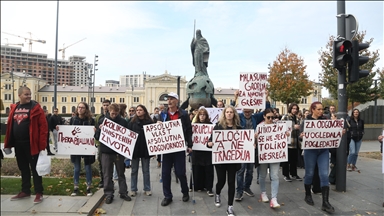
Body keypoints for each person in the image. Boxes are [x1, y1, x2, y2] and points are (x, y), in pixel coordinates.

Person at [3, 86, 48, 203]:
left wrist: (42, 145)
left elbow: (43, 128)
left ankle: (39, 192)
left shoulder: (36, 108)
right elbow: (10, 127)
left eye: (29, 94)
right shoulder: (14, 108)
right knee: (23, 168)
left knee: (35, 169)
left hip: (32, 144)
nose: (29, 96)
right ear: (19, 95)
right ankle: (25, 191)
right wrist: (8, 143)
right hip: (18, 144)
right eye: (26, 94)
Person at [299, 101, 335, 213]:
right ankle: (308, 195)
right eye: (318, 109)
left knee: (324, 174)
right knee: (309, 173)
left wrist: (338, 131)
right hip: (310, 151)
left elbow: (332, 133)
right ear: (312, 110)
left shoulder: (326, 121)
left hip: (323, 151)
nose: (321, 111)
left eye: (322, 109)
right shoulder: (306, 122)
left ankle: (325, 202)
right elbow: (301, 137)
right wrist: (302, 136)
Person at [158, 92, 192, 207]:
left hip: (179, 148)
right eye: (168, 99)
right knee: (165, 173)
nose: (169, 101)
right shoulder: (162, 114)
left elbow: (188, 130)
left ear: (177, 101)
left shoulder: (184, 114)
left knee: (180, 172)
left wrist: (190, 145)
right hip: (167, 149)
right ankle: (167, 196)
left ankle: (185, 192)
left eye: (172, 99)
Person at [207, 105, 242, 216]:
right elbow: (209, 141)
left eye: (231, 112)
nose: (229, 114)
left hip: (233, 161)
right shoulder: (218, 127)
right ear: (224, 114)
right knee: (221, 181)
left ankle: (230, 207)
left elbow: (244, 143)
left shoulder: (239, 128)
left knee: (231, 183)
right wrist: (210, 143)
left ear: (234, 114)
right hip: (221, 161)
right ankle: (218, 193)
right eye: (227, 112)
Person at [94, 103, 132, 204]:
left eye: (115, 113)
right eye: (112, 113)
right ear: (109, 112)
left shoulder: (123, 122)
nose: (114, 115)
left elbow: (128, 137)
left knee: (121, 173)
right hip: (106, 152)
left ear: (118, 112)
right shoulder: (103, 121)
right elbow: (97, 137)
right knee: (107, 174)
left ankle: (123, 192)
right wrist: (99, 130)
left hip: (118, 153)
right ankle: (108, 194)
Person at [59, 102, 95, 197]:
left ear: (86, 109)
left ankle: (89, 187)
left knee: (88, 168)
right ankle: (75, 187)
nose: (80, 109)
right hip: (76, 147)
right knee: (76, 168)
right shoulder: (73, 119)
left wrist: (95, 131)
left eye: (82, 107)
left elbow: (95, 133)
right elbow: (67, 131)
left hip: (87, 147)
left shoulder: (90, 120)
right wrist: (59, 129)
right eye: (79, 107)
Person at [255, 108, 287, 209]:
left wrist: (286, 135)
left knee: (275, 176)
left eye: (272, 117)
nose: (270, 119)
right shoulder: (259, 127)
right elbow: (254, 142)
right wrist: (255, 137)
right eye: (268, 117)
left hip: (275, 155)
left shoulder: (278, 127)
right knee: (263, 175)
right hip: (263, 154)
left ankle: (274, 198)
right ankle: (263, 192)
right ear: (264, 116)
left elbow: (283, 138)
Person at [127, 104, 153, 197]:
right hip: (135, 150)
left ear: (144, 111)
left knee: (146, 170)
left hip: (145, 150)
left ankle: (147, 189)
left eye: (140, 110)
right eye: (137, 110)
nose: (138, 111)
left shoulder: (150, 122)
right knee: (134, 170)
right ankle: (133, 189)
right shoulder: (132, 122)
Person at [191, 107, 214, 196]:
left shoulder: (211, 125)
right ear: (198, 116)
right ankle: (197, 186)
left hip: (207, 151)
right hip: (197, 150)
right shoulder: (194, 125)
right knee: (197, 168)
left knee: (208, 169)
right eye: (200, 115)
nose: (202, 116)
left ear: (206, 116)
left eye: (204, 115)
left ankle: (209, 187)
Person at [281, 103, 302, 182]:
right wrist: (293, 127)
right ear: (290, 109)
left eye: (296, 109)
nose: (295, 110)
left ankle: (294, 174)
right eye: (293, 108)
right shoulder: (285, 117)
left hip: (295, 142)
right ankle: (286, 175)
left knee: (294, 160)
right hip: (288, 142)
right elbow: (282, 128)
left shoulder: (297, 118)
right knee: (286, 160)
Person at [94, 99, 111, 188]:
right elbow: (96, 129)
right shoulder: (98, 117)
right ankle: (102, 180)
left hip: (110, 143)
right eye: (104, 105)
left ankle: (109, 180)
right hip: (101, 143)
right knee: (101, 162)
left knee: (109, 164)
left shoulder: (112, 116)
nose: (105, 107)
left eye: (107, 105)